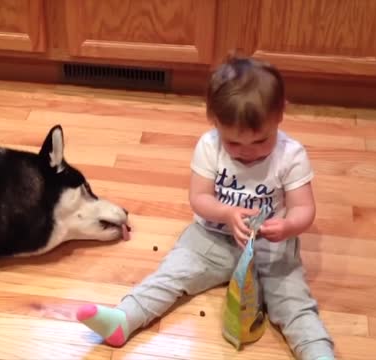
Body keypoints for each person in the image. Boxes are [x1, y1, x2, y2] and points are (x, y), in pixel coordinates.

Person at [75, 56, 335, 360]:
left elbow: (304, 208)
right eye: (235, 144)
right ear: (214, 122)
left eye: (261, 141)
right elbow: (199, 198)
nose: (248, 154)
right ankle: (124, 319)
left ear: (281, 114)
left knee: (294, 302)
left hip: (270, 245)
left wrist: (288, 227)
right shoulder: (209, 147)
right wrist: (226, 213)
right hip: (211, 236)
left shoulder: (291, 155)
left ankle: (317, 352)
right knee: (171, 275)